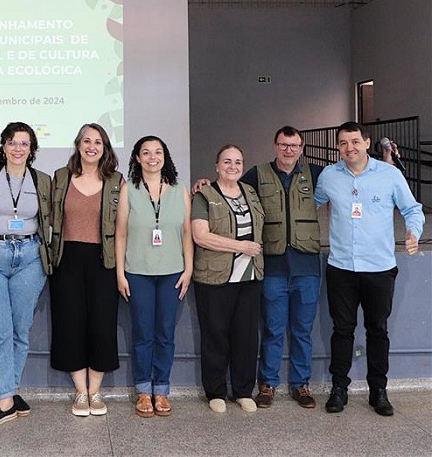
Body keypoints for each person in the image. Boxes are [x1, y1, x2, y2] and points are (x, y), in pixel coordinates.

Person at [315, 122, 424, 417]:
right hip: (341, 268)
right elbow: (306, 202)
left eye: (354, 141)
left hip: (379, 268)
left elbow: (413, 209)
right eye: (342, 143)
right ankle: (339, 388)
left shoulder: (389, 175)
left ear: (366, 142)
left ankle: (379, 390)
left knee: (378, 330)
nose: (349, 148)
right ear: (338, 148)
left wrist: (413, 232)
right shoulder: (329, 176)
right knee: (342, 330)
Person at [0, 122, 52, 429]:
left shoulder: (41, 180)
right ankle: (6, 400)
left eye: (24, 143)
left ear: (31, 149)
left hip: (29, 258)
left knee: (20, 329)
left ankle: (10, 391)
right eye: (12, 142)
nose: (18, 148)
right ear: (3, 146)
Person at [243, 126, 322, 409]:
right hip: (273, 267)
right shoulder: (257, 174)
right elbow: (230, 189)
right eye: (284, 144)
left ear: (301, 148)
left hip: (307, 267)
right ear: (275, 146)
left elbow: (353, 178)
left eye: (295, 145)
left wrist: (386, 161)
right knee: (274, 329)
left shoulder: (315, 174)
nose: (289, 150)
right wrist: (203, 183)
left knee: (302, 330)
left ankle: (301, 384)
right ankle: (268, 384)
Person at [115, 135, 193, 418]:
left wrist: (189, 269)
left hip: (172, 272)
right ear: (137, 158)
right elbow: (121, 233)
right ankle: (144, 391)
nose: (152, 157)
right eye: (145, 152)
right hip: (138, 272)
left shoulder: (179, 189)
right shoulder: (129, 190)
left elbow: (186, 233)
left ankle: (162, 389)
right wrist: (120, 274)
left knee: (165, 334)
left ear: (165, 156)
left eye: (157, 152)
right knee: (143, 334)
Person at [49, 123, 123, 417]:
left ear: (105, 148)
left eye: (98, 142)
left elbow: (122, 226)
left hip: (103, 259)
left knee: (102, 325)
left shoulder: (116, 181)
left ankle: (95, 391)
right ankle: (80, 392)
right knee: (70, 323)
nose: (92, 146)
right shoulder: (61, 177)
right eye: (87, 141)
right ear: (78, 145)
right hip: (67, 258)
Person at [191, 144, 264, 414]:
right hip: (214, 278)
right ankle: (216, 391)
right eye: (226, 161)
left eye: (237, 161)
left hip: (249, 277)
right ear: (216, 165)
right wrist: (241, 246)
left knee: (246, 337)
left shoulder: (251, 193)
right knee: (215, 336)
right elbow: (201, 235)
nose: (232, 166)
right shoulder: (204, 194)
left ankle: (244, 391)